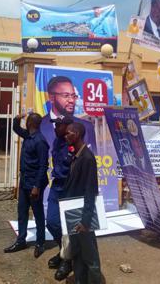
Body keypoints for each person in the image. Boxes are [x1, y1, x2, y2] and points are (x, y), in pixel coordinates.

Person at [4, 113, 49, 258]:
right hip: (24, 181)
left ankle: (40, 243)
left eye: (27, 120)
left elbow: (43, 166)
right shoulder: (28, 135)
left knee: (38, 213)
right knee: (22, 211)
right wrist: (17, 118)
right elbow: (16, 128)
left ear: (29, 123)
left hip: (34, 183)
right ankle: (21, 240)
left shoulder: (40, 141)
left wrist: (36, 186)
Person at [63, 122, 102, 284]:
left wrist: (85, 221)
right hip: (74, 212)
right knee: (77, 251)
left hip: (82, 216)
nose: (65, 136)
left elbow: (90, 190)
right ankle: (80, 279)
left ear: (77, 134)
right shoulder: (76, 155)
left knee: (90, 254)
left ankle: (95, 281)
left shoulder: (87, 158)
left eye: (68, 133)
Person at [46, 115, 73, 281]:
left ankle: (68, 260)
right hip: (57, 186)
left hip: (70, 188)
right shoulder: (57, 142)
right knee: (52, 222)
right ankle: (63, 251)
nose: (55, 128)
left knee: (69, 227)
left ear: (68, 126)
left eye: (59, 125)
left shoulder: (74, 144)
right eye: (55, 125)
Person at [40, 76, 97, 154]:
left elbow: (94, 155)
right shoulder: (40, 126)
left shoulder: (87, 127)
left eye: (73, 96)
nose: (71, 100)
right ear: (52, 98)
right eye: (66, 96)